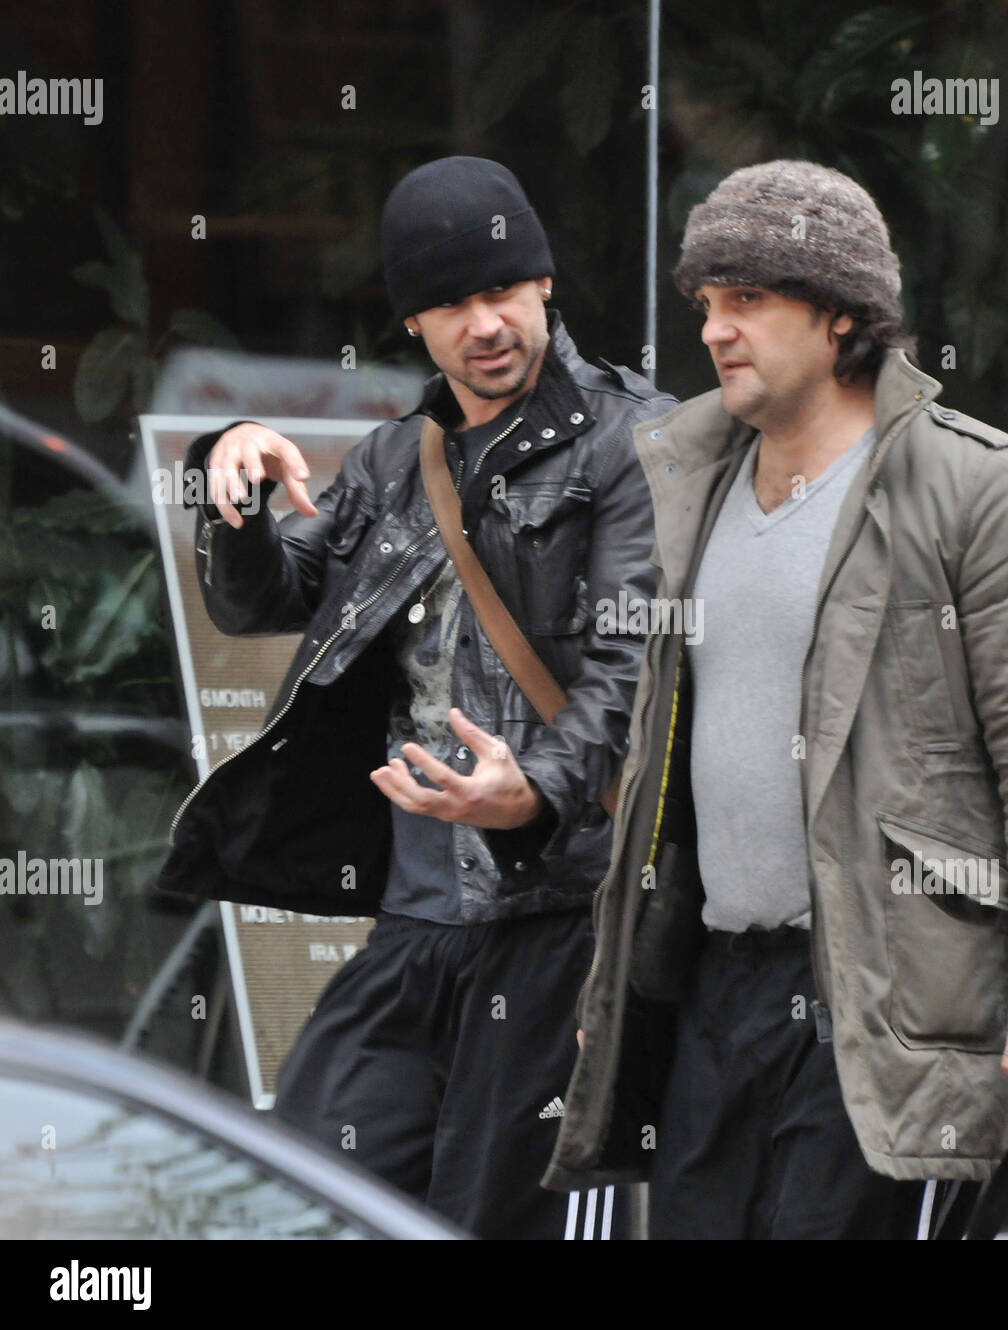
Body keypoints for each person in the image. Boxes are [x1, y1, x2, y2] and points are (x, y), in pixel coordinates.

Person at [544, 160, 1008, 1240]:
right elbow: (657, 768)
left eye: (749, 299)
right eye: (707, 304)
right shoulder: (690, 481)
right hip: (717, 987)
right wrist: (611, 993)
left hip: (890, 1000)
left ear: (843, 315)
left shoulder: (975, 488)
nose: (716, 330)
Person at [158, 156, 673, 1239]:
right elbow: (270, 598)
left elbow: (634, 671)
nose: (482, 323)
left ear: (545, 288)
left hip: (558, 923)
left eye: (502, 291)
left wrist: (528, 793)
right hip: (414, 920)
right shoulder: (402, 458)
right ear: (413, 323)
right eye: (449, 303)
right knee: (304, 1197)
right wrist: (231, 475)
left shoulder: (638, 443)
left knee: (506, 1218)